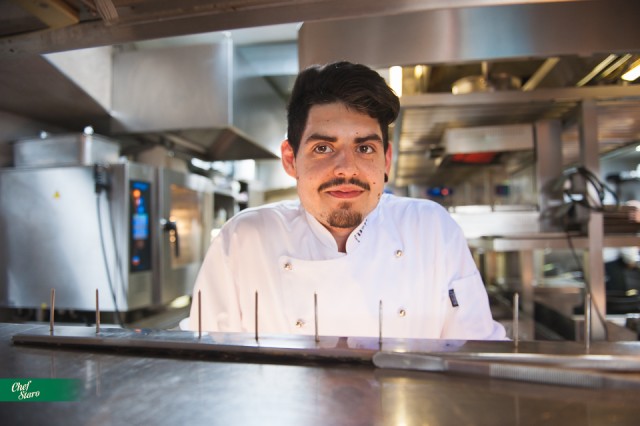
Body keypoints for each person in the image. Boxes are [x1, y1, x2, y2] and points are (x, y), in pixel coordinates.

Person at [185, 61, 506, 340]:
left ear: (386, 160)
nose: (346, 169)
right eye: (323, 148)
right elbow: (206, 364)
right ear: (290, 159)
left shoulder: (431, 229)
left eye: (364, 148)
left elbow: (476, 352)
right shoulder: (244, 239)